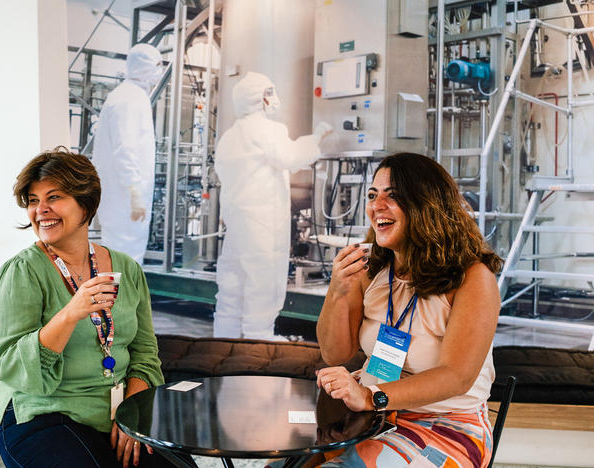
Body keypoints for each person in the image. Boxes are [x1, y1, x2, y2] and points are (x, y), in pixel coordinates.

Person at [315, 153, 503, 467]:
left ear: (426, 205)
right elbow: (334, 353)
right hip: (370, 415)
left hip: (445, 424)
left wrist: (369, 396)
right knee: (281, 461)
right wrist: (337, 289)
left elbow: (456, 377)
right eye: (373, 195)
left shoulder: (473, 278)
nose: (377, 206)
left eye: (394, 196)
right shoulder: (371, 269)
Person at [0, 148, 174, 468]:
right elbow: (11, 365)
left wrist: (131, 418)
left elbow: (145, 354)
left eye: (54, 197)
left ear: (85, 203)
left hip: (116, 412)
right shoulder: (22, 272)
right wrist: (70, 312)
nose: (41, 210)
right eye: (33, 200)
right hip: (43, 413)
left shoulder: (127, 269)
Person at [213, 71, 332, 340]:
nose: (274, 98)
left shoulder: (230, 136)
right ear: (259, 99)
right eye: (269, 92)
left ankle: (222, 341)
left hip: (238, 225)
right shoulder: (267, 130)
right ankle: (259, 340)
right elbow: (289, 157)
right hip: (263, 226)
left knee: (232, 287)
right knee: (263, 286)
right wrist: (317, 138)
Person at [92, 43, 163, 265]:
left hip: (119, 198)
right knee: (123, 262)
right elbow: (126, 149)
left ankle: (116, 299)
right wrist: (134, 192)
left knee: (117, 260)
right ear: (145, 67)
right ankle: (118, 301)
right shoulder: (130, 99)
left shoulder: (125, 95)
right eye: (158, 65)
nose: (160, 71)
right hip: (124, 199)